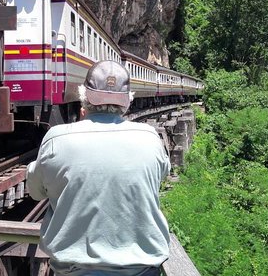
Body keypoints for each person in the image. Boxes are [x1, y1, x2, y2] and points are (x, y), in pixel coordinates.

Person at [26, 60, 171, 276]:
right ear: (127, 102)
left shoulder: (56, 138)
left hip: (74, 271)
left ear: (84, 96)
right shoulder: (149, 138)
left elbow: (35, 192)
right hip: (141, 271)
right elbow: (160, 177)